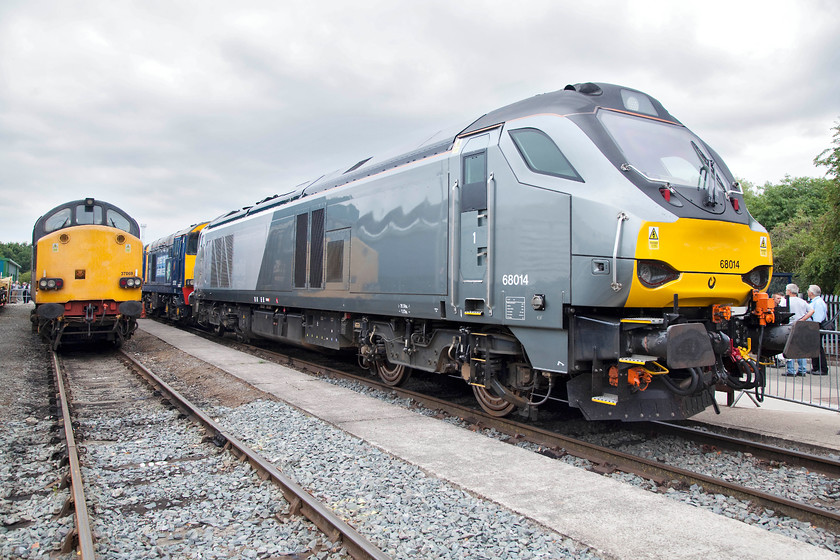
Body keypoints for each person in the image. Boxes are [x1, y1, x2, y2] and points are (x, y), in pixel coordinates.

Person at [782, 283, 810, 376]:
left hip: (789, 326)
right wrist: (802, 319)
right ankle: (802, 370)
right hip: (800, 325)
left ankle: (791, 370)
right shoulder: (802, 301)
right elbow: (811, 310)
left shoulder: (785, 301)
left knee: (790, 347)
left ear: (789, 291)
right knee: (800, 347)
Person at [802, 284, 829, 375]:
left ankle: (823, 368)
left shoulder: (818, 303)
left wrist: (814, 325)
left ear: (812, 293)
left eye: (809, 290)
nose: (808, 292)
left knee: (818, 347)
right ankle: (816, 367)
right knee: (814, 347)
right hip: (814, 325)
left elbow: (818, 317)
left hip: (816, 325)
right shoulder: (815, 301)